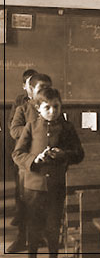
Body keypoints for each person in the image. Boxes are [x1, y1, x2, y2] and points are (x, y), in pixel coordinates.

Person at [12, 88, 84, 257]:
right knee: (33, 227)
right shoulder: (31, 126)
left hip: (56, 185)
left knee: (53, 227)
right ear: (38, 108)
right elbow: (17, 154)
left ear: (61, 106)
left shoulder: (67, 127)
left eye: (56, 106)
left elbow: (79, 154)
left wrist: (64, 154)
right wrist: (35, 159)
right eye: (47, 107)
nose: (53, 111)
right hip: (33, 186)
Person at [6, 69, 38, 253]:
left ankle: (37, 237)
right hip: (24, 158)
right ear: (28, 87)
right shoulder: (21, 105)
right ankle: (21, 238)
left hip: (43, 162)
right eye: (32, 85)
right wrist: (33, 129)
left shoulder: (49, 105)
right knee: (23, 200)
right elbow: (14, 129)